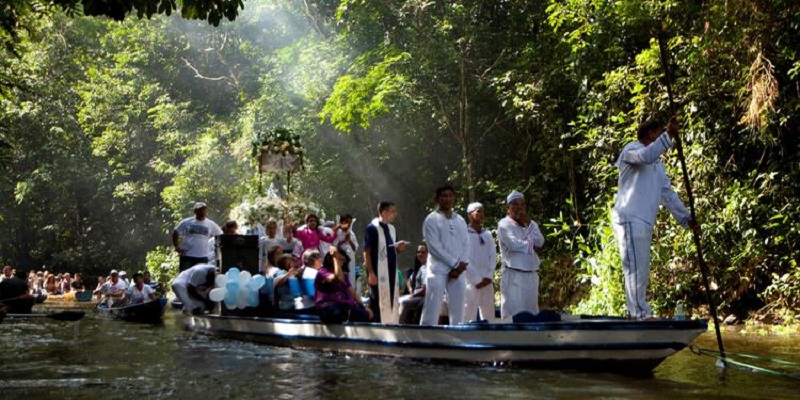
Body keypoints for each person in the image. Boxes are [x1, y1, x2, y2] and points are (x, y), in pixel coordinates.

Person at [612, 117, 699, 320]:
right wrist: (668, 135)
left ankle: (638, 313)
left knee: (641, 268)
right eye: (660, 133)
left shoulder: (658, 166)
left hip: (643, 220)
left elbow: (667, 194)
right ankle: (639, 314)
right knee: (635, 269)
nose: (662, 137)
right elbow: (646, 156)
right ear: (651, 133)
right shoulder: (631, 150)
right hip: (629, 217)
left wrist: (686, 218)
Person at [420, 185, 469, 325]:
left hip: (458, 271)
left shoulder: (460, 220)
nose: (447, 199)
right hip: (437, 270)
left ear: (454, 198)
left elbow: (466, 244)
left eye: (450, 196)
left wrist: (460, 265)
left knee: (459, 309)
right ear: (437, 199)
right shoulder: (431, 219)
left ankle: (457, 336)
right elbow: (434, 248)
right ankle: (426, 336)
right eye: (443, 196)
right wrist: (454, 263)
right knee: (432, 307)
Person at [497, 190, 545, 319]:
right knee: (514, 315)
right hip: (513, 275)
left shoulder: (531, 224)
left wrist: (528, 224)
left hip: (531, 275)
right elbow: (513, 244)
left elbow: (540, 241)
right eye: (515, 204)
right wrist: (532, 247)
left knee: (532, 314)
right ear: (508, 208)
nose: (519, 208)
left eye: (522, 205)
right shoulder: (504, 224)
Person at [363, 201, 407, 324]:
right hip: (377, 272)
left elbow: (393, 249)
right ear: (383, 212)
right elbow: (367, 252)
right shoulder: (372, 228)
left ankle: (391, 325)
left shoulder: (392, 228)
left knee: (392, 299)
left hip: (391, 271)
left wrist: (400, 248)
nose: (395, 214)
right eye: (393, 211)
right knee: (377, 301)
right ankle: (376, 327)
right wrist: (371, 273)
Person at [315, 247, 372, 323]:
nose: (342, 263)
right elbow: (338, 278)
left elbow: (353, 292)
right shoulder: (323, 272)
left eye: (343, 260)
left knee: (368, 315)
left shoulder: (344, 275)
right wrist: (335, 257)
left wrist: (364, 307)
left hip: (345, 307)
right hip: (329, 308)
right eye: (339, 259)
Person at [464, 202, 497, 322]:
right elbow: (465, 258)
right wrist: (476, 279)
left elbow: (493, 256)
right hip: (471, 283)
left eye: (482, 211)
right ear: (469, 215)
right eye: (478, 211)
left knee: (489, 318)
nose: (481, 214)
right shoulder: (464, 234)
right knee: (468, 317)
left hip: (487, 282)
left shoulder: (487, 234)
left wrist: (489, 276)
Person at [172, 202, 223, 272]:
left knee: (201, 276)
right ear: (195, 211)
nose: (202, 211)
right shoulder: (187, 222)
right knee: (185, 275)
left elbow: (221, 235)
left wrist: (217, 250)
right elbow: (176, 231)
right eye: (200, 210)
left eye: (204, 209)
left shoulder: (210, 224)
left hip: (202, 256)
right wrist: (176, 246)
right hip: (187, 255)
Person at [398, 243, 428, 324]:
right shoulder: (420, 268)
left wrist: (413, 295)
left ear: (428, 254)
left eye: (423, 252)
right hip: (415, 295)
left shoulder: (428, 268)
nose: (420, 254)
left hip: (423, 297)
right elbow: (409, 280)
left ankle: (398, 326)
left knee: (404, 303)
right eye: (418, 252)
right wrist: (411, 290)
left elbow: (425, 289)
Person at [333, 214, 359, 288]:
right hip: (341, 259)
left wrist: (349, 240)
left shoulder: (352, 233)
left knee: (350, 276)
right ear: (342, 222)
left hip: (351, 259)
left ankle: (351, 292)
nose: (348, 224)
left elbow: (355, 248)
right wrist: (343, 241)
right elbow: (334, 246)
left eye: (350, 222)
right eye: (346, 222)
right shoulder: (338, 232)